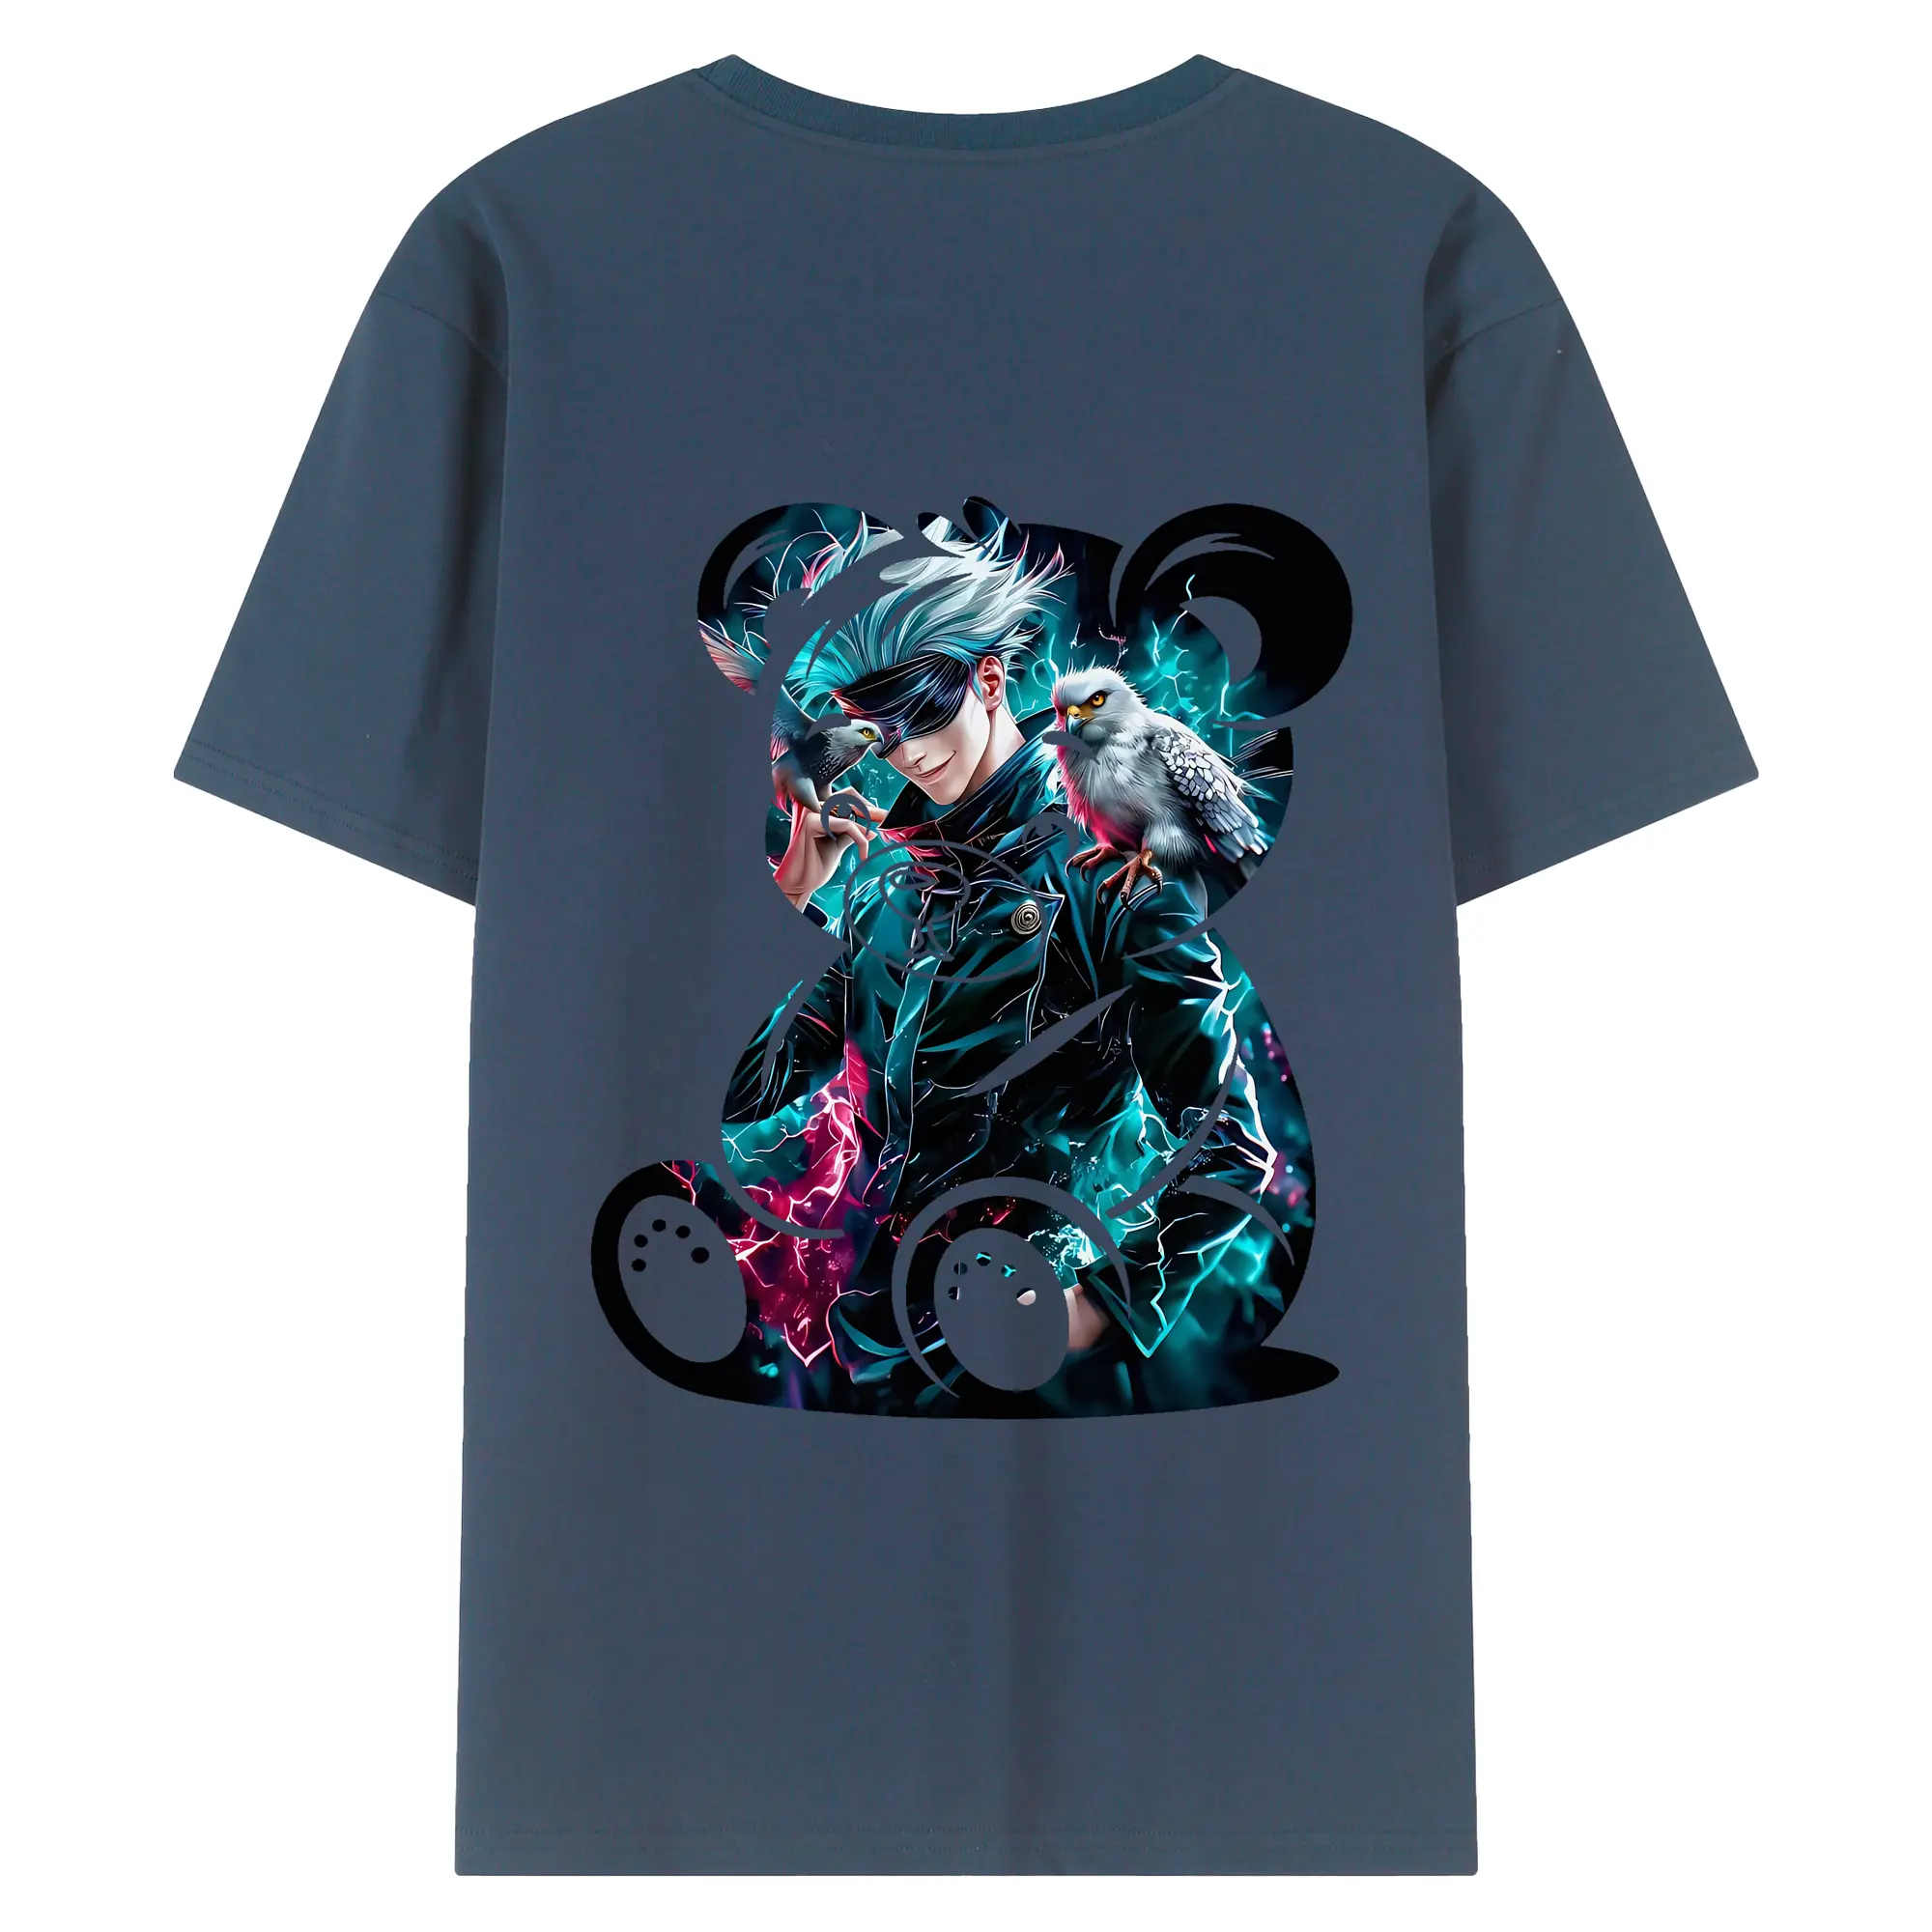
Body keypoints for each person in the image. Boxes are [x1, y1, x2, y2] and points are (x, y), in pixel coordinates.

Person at [721, 525, 1310, 1416]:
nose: (905, 753)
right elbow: (747, 1089)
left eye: (923, 711)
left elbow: (1228, 1142)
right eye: (879, 731)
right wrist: (793, 893)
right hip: (867, 1354)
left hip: (1019, 1367)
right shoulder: (882, 890)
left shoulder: (1106, 870)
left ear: (989, 680)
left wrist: (1089, 1314)